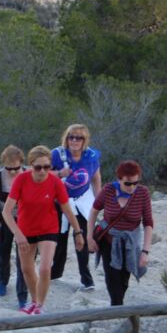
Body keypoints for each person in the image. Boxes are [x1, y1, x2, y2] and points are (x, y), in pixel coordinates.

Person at [2, 146, 84, 314]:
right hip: (25, 230)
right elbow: (6, 211)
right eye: (38, 167)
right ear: (31, 165)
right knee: (27, 269)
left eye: (47, 167)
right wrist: (17, 234)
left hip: (49, 228)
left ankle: (40, 305)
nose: (42, 171)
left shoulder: (54, 182)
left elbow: (67, 209)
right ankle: (33, 300)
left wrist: (78, 232)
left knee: (45, 268)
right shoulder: (21, 179)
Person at [87, 160, 154, 306]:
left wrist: (145, 251)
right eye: (128, 183)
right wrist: (89, 237)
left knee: (124, 279)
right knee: (112, 277)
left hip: (130, 243)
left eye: (135, 183)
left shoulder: (142, 193)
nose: (132, 187)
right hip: (109, 240)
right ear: (119, 180)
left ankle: (118, 305)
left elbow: (148, 223)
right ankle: (116, 306)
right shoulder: (108, 190)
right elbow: (94, 211)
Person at [50, 124, 102, 291]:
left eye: (78, 137)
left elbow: (95, 177)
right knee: (60, 239)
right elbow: (41, 173)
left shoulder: (91, 156)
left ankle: (86, 279)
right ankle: (55, 273)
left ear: (84, 140)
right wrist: (59, 174)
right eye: (71, 137)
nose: (74, 140)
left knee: (82, 239)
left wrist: (99, 200)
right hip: (61, 202)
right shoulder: (56, 154)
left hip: (82, 200)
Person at [0, 145, 29, 308]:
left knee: (23, 257)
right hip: (3, 218)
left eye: (16, 168)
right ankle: (2, 281)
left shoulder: (29, 175)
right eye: (8, 168)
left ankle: (22, 295)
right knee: (3, 252)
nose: (12, 172)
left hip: (25, 220)